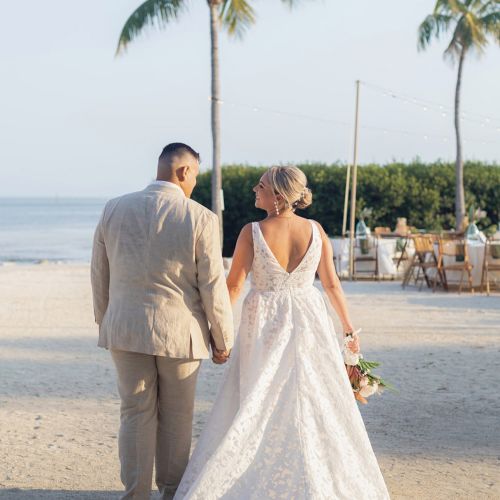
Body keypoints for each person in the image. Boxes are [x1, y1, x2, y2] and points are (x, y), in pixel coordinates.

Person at [175, 165, 390, 499]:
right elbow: (331, 284)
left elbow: (233, 288)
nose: (253, 190)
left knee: (260, 395)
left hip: (265, 321)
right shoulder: (316, 230)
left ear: (277, 195)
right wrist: (348, 328)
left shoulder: (251, 232)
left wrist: (218, 332)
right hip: (309, 317)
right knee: (313, 395)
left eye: (260, 186)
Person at [90, 143, 234, 500]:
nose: (195, 184)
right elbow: (212, 286)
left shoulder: (114, 208)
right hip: (180, 334)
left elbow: (99, 273)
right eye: (196, 176)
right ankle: (171, 493)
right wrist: (222, 338)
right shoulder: (201, 218)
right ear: (184, 171)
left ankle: (135, 494)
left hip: (124, 327)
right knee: (177, 416)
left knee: (134, 412)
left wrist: (105, 320)